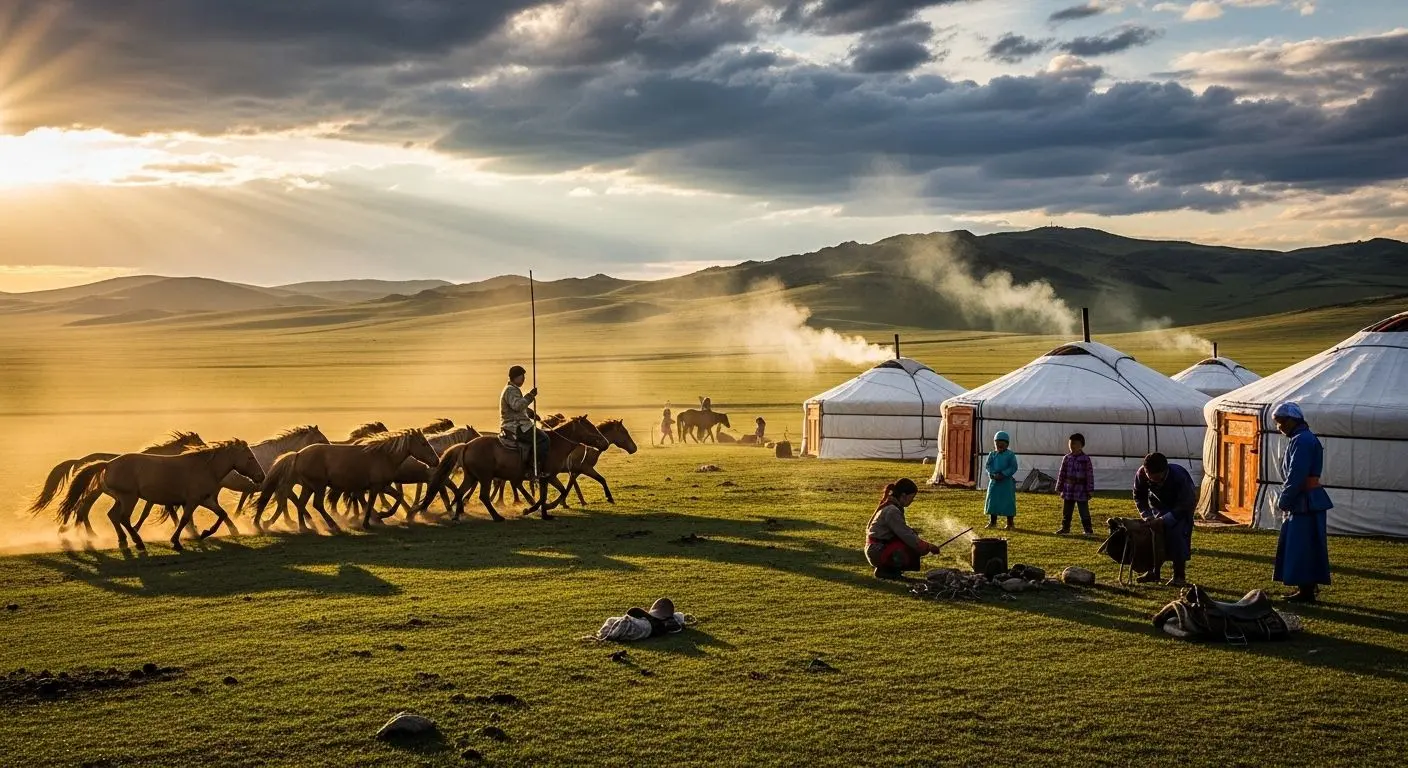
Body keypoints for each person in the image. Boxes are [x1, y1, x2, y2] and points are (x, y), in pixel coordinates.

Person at [1271, 402, 1333, 603]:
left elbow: (1296, 474)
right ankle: (1307, 588)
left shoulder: (1302, 441)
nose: (1278, 427)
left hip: (1304, 500)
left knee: (1302, 545)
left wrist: (1284, 499)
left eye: (1280, 422)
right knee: (1305, 544)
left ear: (1291, 421)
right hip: (1306, 499)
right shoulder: (1301, 438)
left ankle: (1306, 590)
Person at [1133, 452, 1196, 586]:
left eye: (1158, 479)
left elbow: (1186, 503)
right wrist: (1147, 516)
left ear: (1165, 471)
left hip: (1181, 508)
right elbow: (1139, 496)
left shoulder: (1180, 476)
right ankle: (1152, 572)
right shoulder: (1141, 474)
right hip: (1158, 506)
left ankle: (1179, 576)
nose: (1155, 482)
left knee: (1178, 536)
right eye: (1151, 478)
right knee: (1151, 536)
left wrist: (1165, 520)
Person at [865, 478, 940, 580]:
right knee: (910, 546)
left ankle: (888, 570)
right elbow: (906, 535)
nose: (912, 501)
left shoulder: (891, 507)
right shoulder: (892, 511)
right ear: (904, 496)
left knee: (913, 539)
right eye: (912, 498)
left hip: (876, 548)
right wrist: (928, 546)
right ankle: (886, 570)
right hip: (878, 551)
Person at [500, 365, 550, 479]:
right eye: (521, 376)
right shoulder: (510, 390)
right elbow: (517, 406)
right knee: (544, 439)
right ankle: (534, 469)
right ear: (515, 377)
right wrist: (530, 396)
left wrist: (531, 413)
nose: (523, 379)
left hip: (517, 423)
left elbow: (517, 409)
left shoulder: (512, 389)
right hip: (516, 426)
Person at [1056, 433, 1095, 536]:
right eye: (1071, 443)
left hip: (1081, 489)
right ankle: (1065, 528)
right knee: (1067, 511)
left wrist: (1090, 489)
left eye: (1075, 443)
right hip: (1068, 488)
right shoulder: (1067, 458)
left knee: (1084, 511)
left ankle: (1088, 530)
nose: (1072, 446)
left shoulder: (1086, 459)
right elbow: (1062, 473)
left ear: (1081, 445)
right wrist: (1059, 487)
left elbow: (1089, 475)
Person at [984, 431, 1018, 530]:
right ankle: (992, 522)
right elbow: (988, 465)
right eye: (997, 443)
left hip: (1006, 483)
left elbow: (1013, 467)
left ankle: (1010, 523)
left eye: (1002, 444)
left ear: (1007, 444)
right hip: (994, 482)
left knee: (1008, 502)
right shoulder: (992, 454)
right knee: (993, 502)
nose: (999, 446)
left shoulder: (1010, 455)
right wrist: (992, 474)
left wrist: (1003, 474)